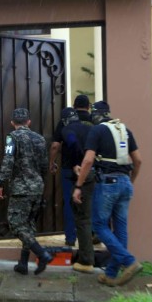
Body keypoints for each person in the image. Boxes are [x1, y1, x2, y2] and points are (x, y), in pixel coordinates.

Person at [72, 101, 143, 286]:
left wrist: (79, 186)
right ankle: (111, 274)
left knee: (99, 225)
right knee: (120, 229)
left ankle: (129, 261)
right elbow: (138, 161)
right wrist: (129, 182)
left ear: (95, 115)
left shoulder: (98, 131)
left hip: (108, 183)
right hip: (125, 181)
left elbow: (88, 161)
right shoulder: (124, 130)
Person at [0, 108, 53, 276]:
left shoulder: (12, 138)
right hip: (37, 187)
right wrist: (40, 183)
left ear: (12, 123)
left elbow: (8, 161)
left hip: (21, 188)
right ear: (29, 122)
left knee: (16, 224)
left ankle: (42, 254)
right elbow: (44, 165)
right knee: (29, 225)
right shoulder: (40, 139)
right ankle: (23, 263)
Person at [49, 95, 92, 247]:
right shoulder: (92, 121)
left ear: (74, 106)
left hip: (69, 168)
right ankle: (90, 238)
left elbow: (55, 145)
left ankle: (70, 238)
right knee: (88, 203)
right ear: (88, 106)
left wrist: (52, 162)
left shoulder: (64, 123)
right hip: (87, 169)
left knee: (69, 203)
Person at [59, 107, 95, 273]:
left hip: (77, 174)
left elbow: (72, 141)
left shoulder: (67, 129)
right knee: (87, 213)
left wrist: (76, 162)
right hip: (93, 173)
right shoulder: (89, 128)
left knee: (77, 212)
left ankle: (77, 248)